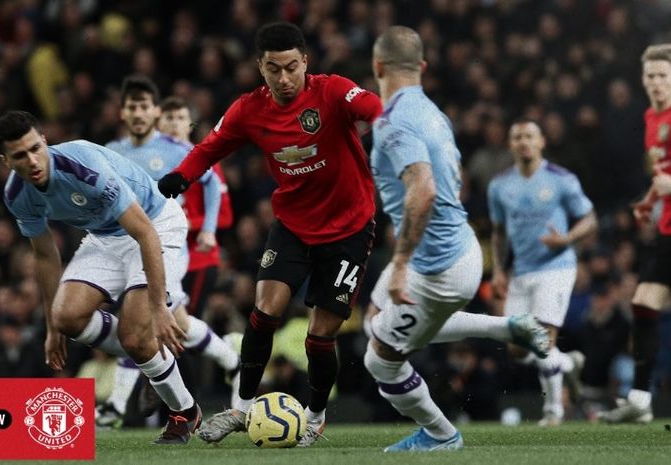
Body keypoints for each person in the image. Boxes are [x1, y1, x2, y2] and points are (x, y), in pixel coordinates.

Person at [158, 21, 383, 447]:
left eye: (291, 68)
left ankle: (314, 419)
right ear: (260, 68)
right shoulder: (249, 109)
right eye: (273, 70)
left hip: (350, 228)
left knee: (320, 336)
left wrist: (390, 121)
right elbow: (210, 146)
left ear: (305, 62)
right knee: (264, 311)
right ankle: (241, 410)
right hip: (294, 226)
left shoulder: (333, 91)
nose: (284, 78)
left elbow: (373, 108)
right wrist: (181, 175)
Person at [362, 26, 546, 453]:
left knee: (380, 358)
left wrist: (403, 261)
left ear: (377, 67)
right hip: (461, 245)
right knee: (384, 319)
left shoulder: (391, 122)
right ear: (422, 68)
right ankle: (506, 328)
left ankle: (442, 434)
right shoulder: (434, 113)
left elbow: (423, 189)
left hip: (436, 266)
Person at [0, 110, 201, 444]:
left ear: (45, 141)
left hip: (154, 224)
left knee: (136, 336)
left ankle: (185, 412)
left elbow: (145, 233)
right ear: (6, 160)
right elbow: (45, 256)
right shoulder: (17, 195)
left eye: (36, 148)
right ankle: (149, 358)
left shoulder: (84, 167)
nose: (32, 160)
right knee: (67, 317)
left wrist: (158, 308)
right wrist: (51, 326)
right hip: (104, 236)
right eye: (20, 155)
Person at [96, 76, 239, 428]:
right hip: (130, 249)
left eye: (145, 106)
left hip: (172, 250)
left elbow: (209, 181)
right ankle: (231, 361)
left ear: (154, 112)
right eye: (132, 106)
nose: (139, 112)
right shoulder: (112, 151)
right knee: (172, 324)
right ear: (122, 112)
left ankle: (118, 405)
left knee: (145, 320)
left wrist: (206, 230)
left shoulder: (176, 149)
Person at [488, 118, 597, 426]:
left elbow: (590, 219)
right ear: (510, 144)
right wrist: (499, 271)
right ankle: (567, 363)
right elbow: (498, 232)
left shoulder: (561, 179)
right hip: (520, 272)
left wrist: (567, 239)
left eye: (529, 136)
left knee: (542, 341)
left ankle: (553, 412)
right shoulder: (499, 186)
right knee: (517, 350)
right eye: (517, 136)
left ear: (541, 142)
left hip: (556, 267)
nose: (523, 141)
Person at [599, 43, 671, 423]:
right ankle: (641, 401)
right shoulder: (650, 118)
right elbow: (660, 173)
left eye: (663, 75)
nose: (657, 82)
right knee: (643, 304)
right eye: (651, 76)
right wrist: (647, 200)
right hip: (666, 229)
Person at [158, 95, 234, 315]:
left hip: (197, 258)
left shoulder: (205, 163)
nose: (174, 124)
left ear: (190, 125)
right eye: (168, 118)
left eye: (180, 118)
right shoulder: (149, 162)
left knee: (185, 326)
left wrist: (188, 223)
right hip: (161, 258)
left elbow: (225, 217)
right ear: (158, 123)